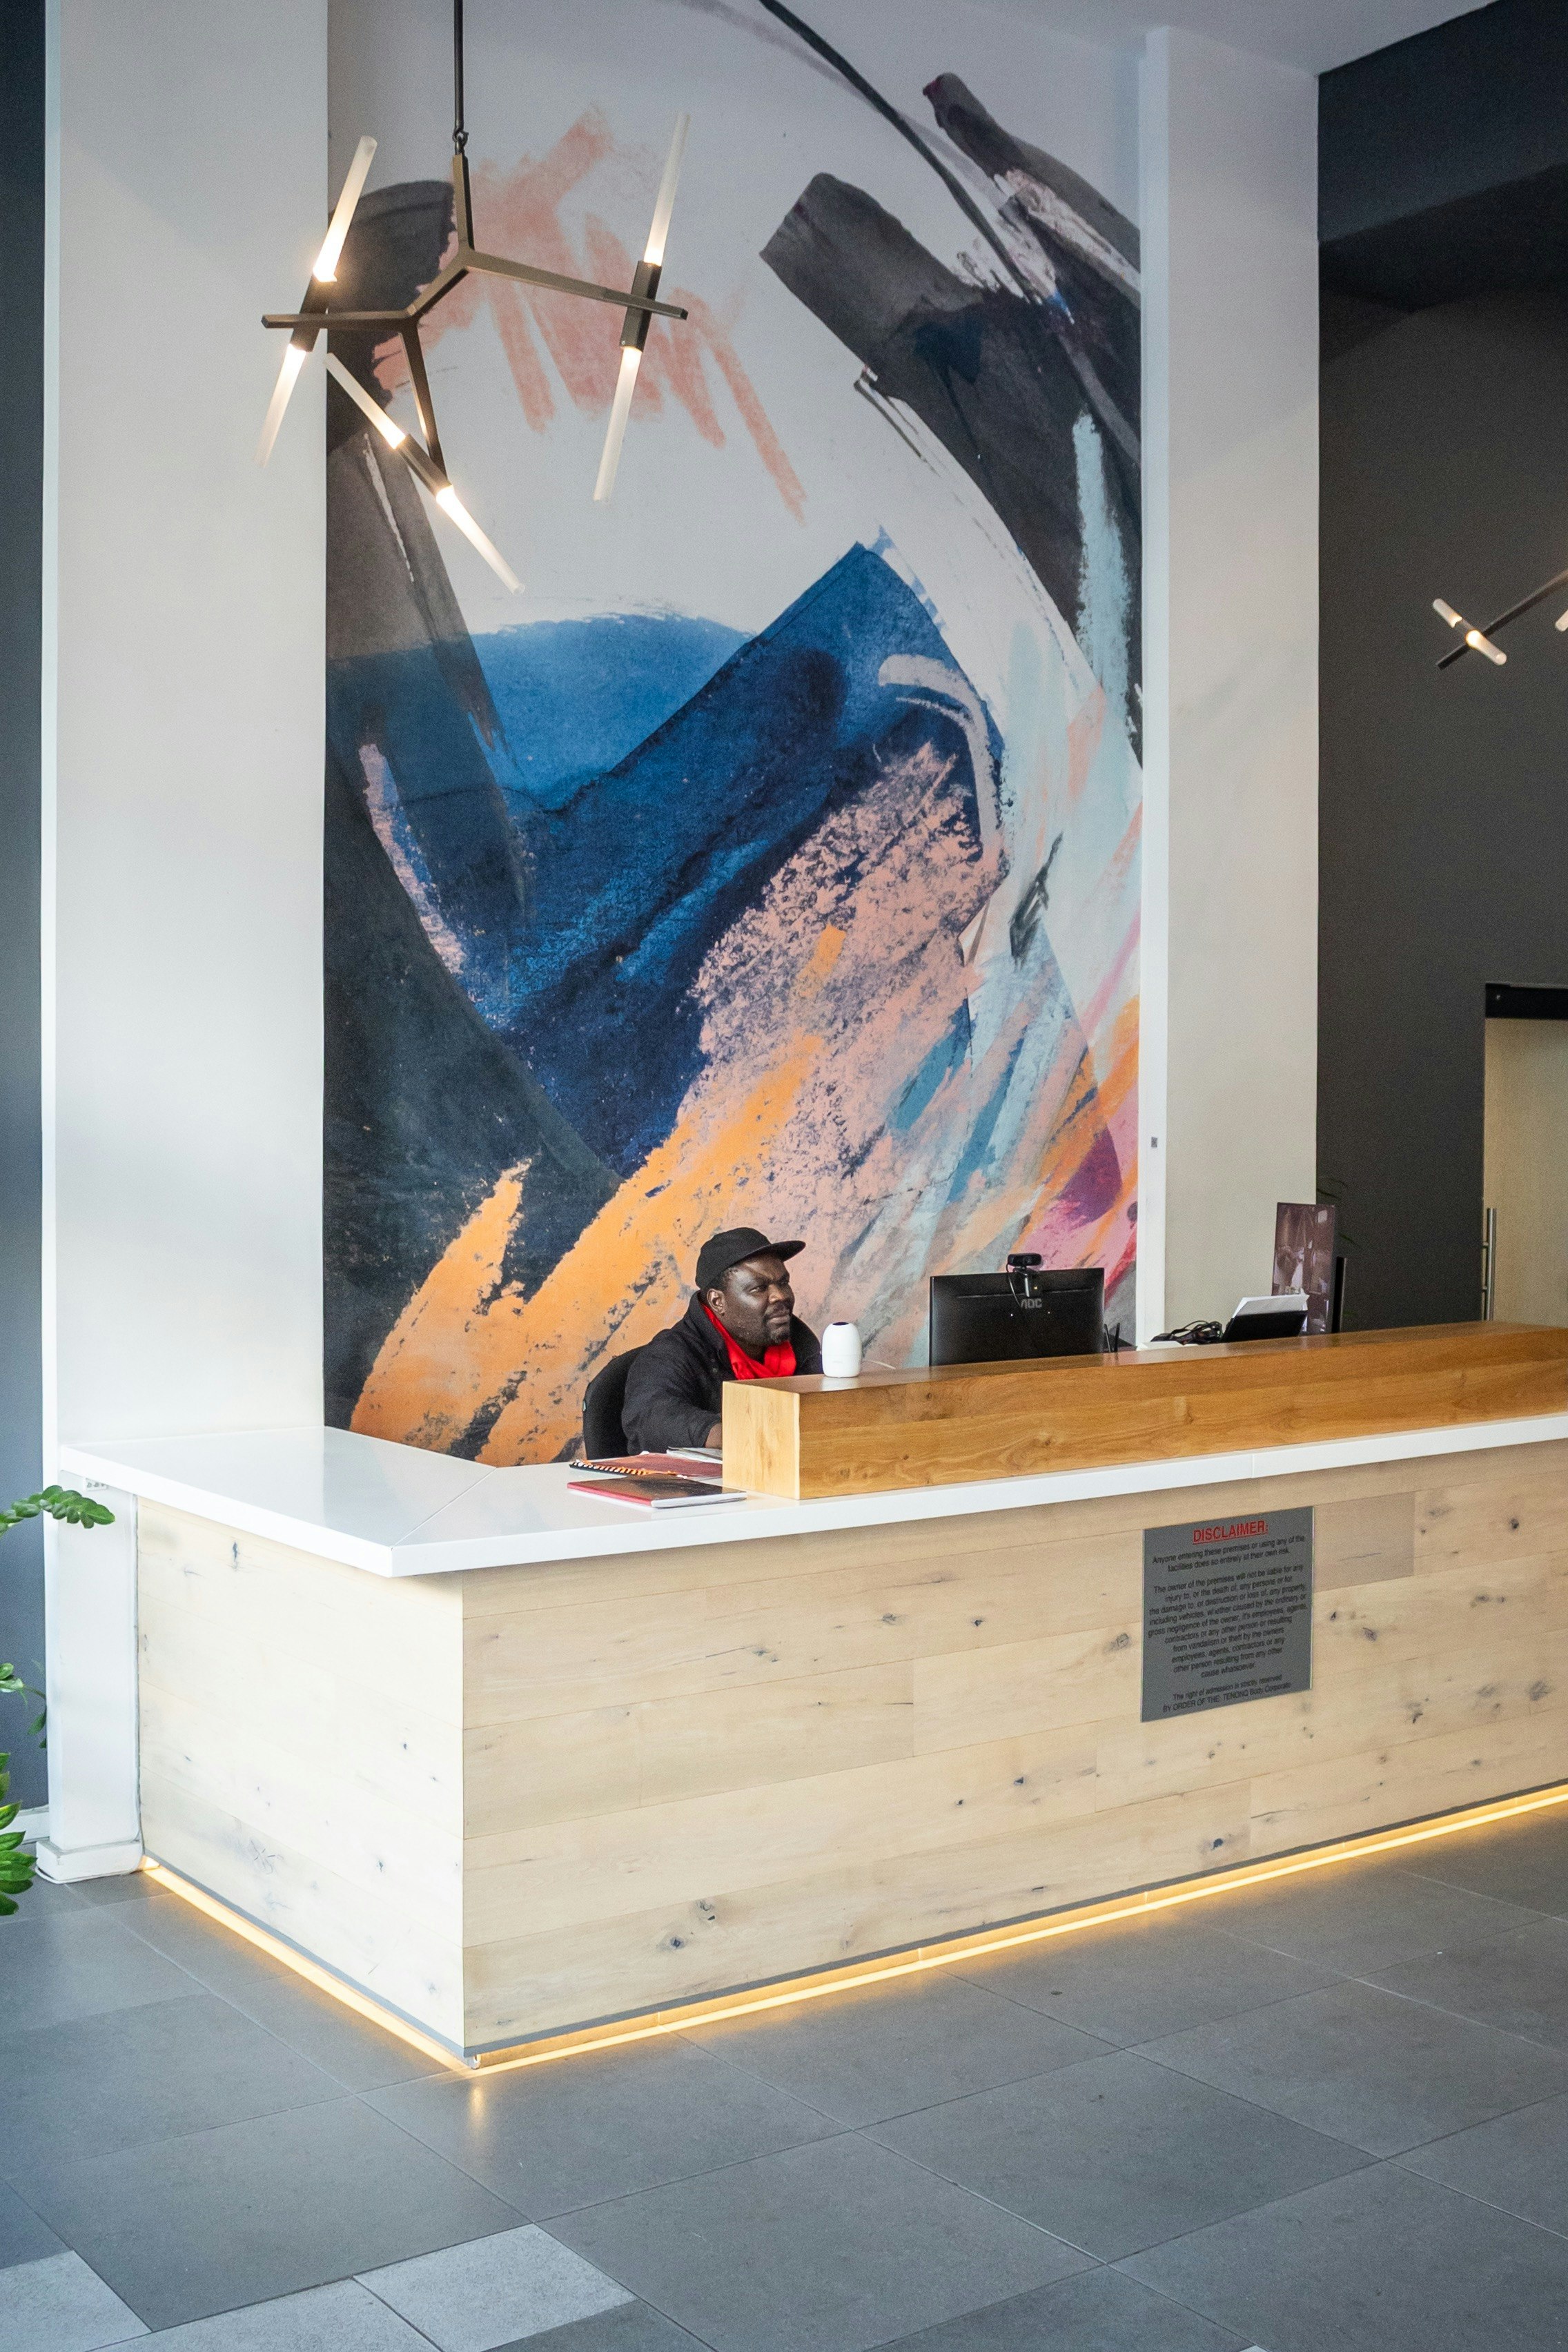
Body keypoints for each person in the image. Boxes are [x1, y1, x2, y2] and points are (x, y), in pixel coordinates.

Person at [620, 1226, 823, 1455]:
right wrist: (733, 1434)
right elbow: (649, 1416)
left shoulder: (803, 1350)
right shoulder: (670, 1354)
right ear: (718, 1302)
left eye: (783, 1283)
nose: (781, 1296)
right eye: (759, 1289)